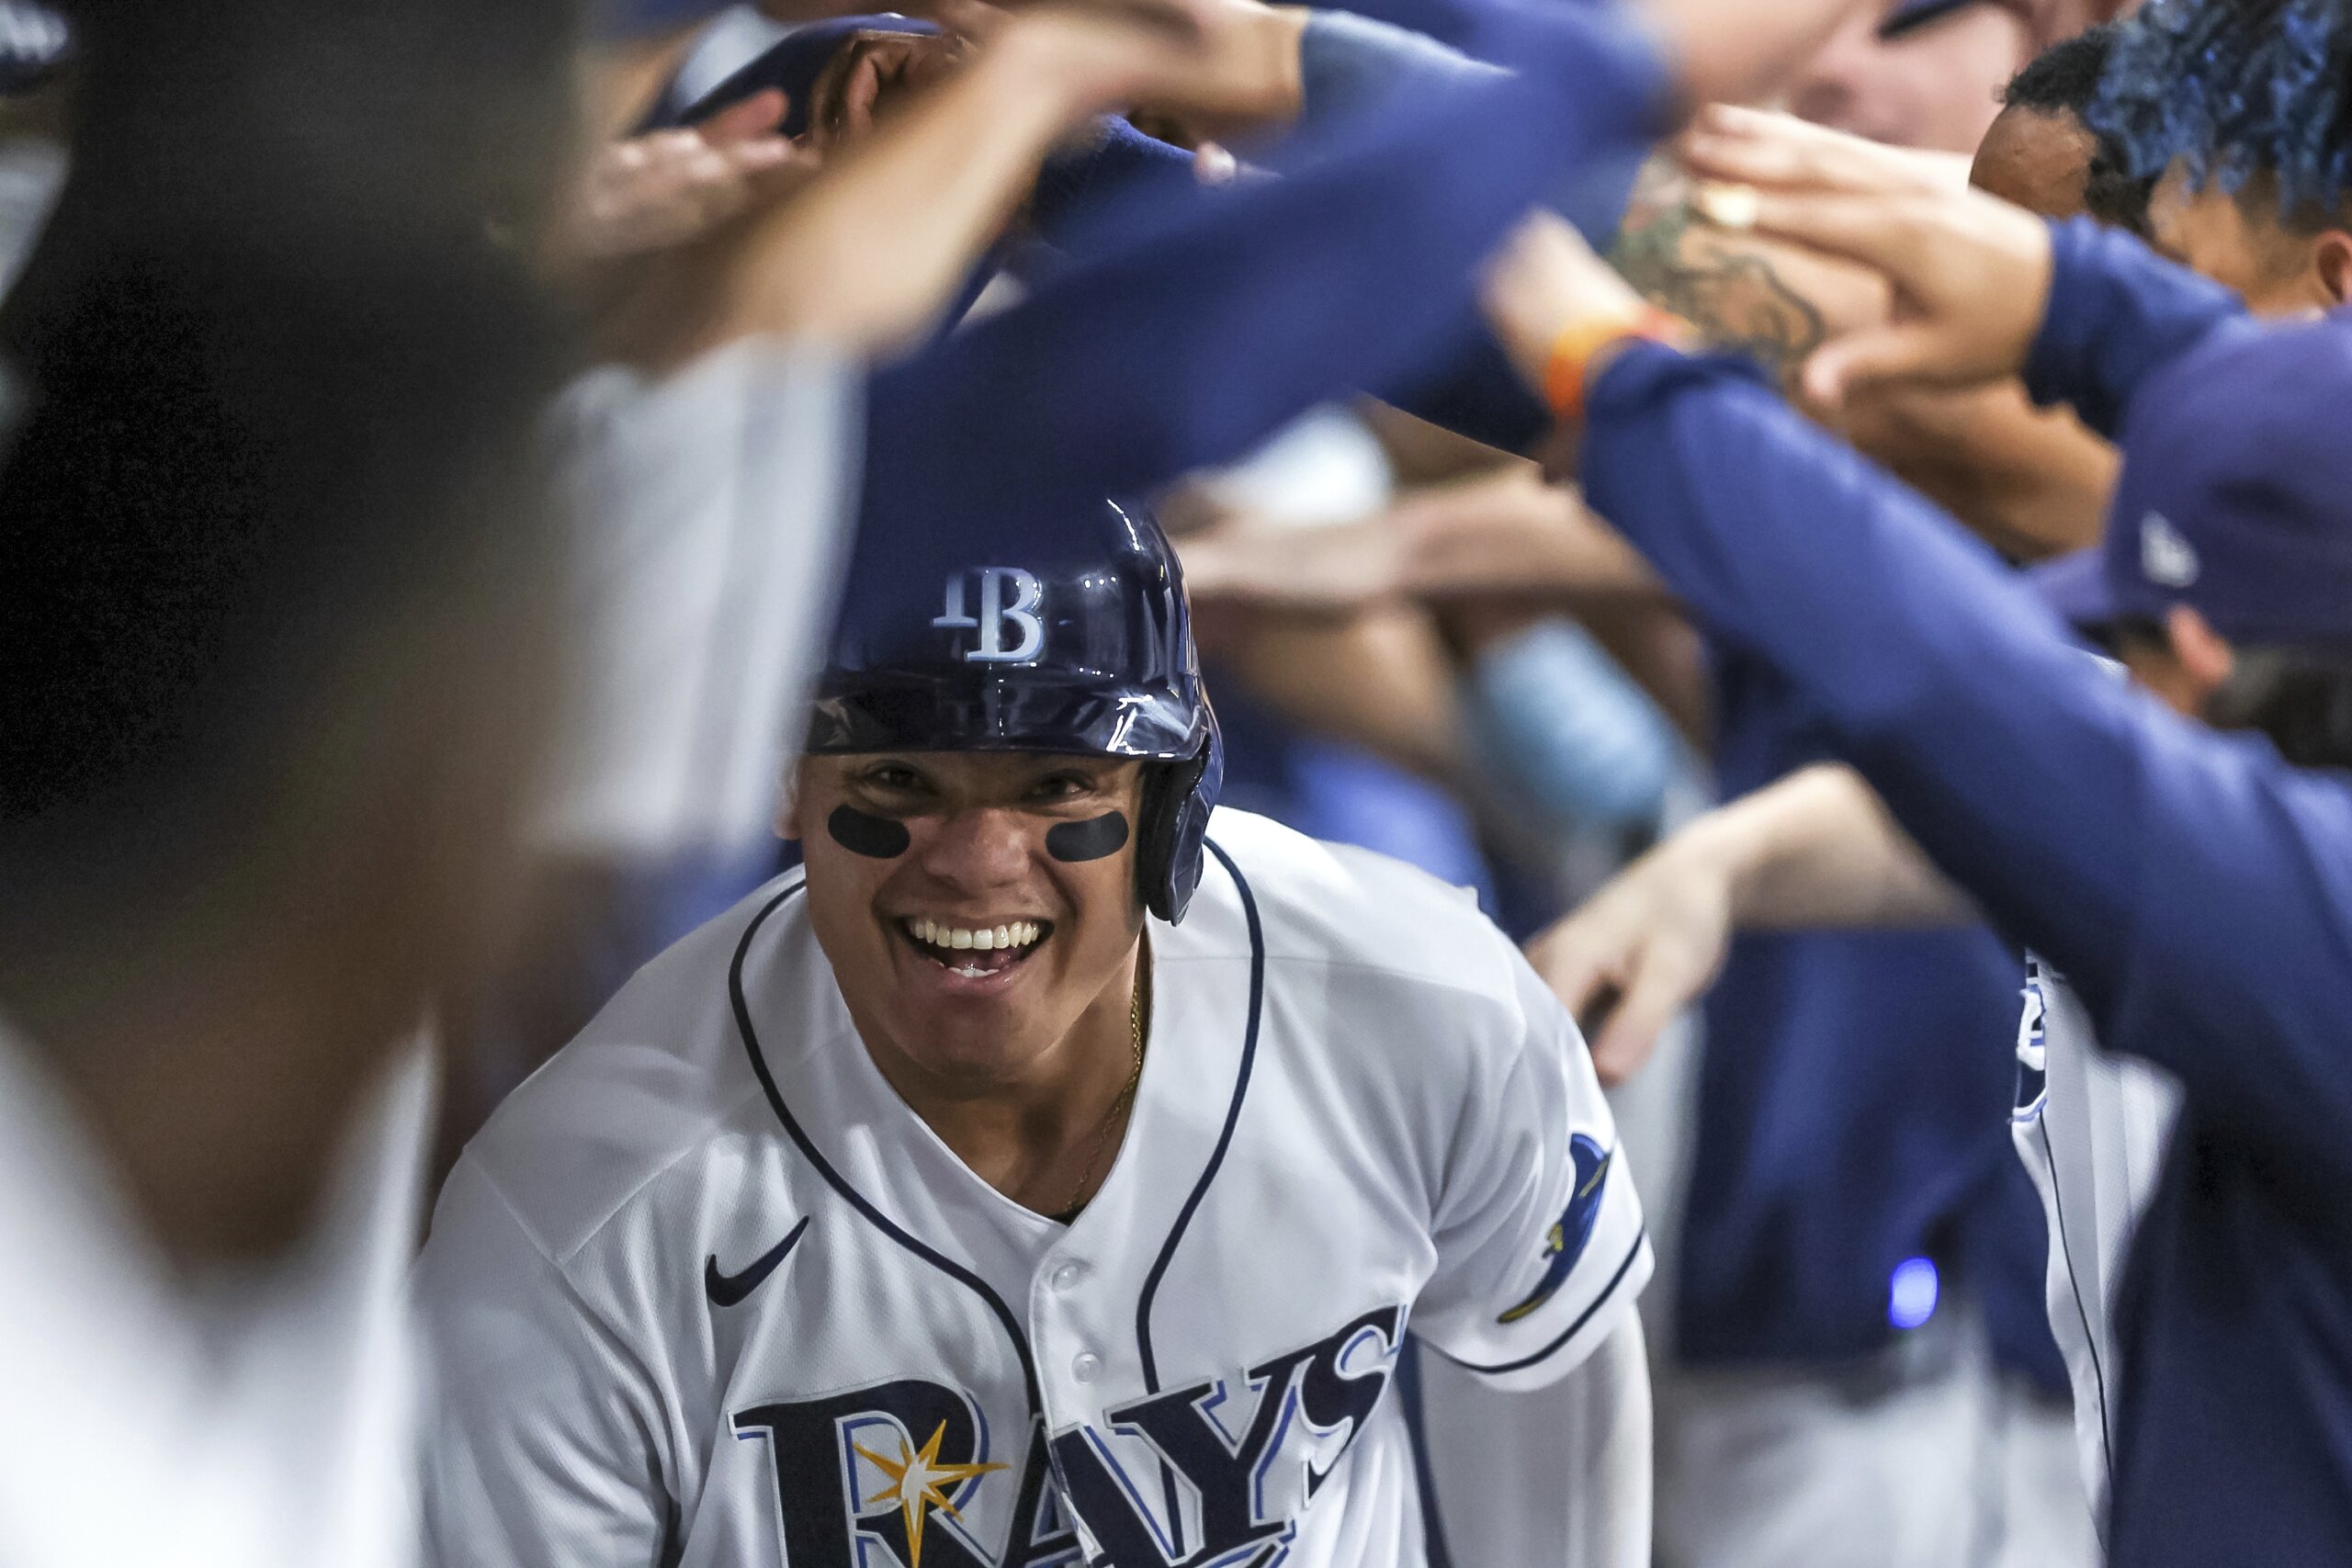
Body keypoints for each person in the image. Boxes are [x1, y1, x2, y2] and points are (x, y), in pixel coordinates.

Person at [417, 500, 1655, 1568]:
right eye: (900, 783)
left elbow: (1544, 1357)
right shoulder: (574, 1221)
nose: (975, 864)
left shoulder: (1423, 1009)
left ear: (1169, 800)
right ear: (790, 783)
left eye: (1056, 783)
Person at [1475, 109, 2352, 1562]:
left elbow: (1941, 675)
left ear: (2199, 647)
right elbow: (1973, 777)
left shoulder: (2308, 916)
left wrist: (1589, 344)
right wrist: (1732, 861)